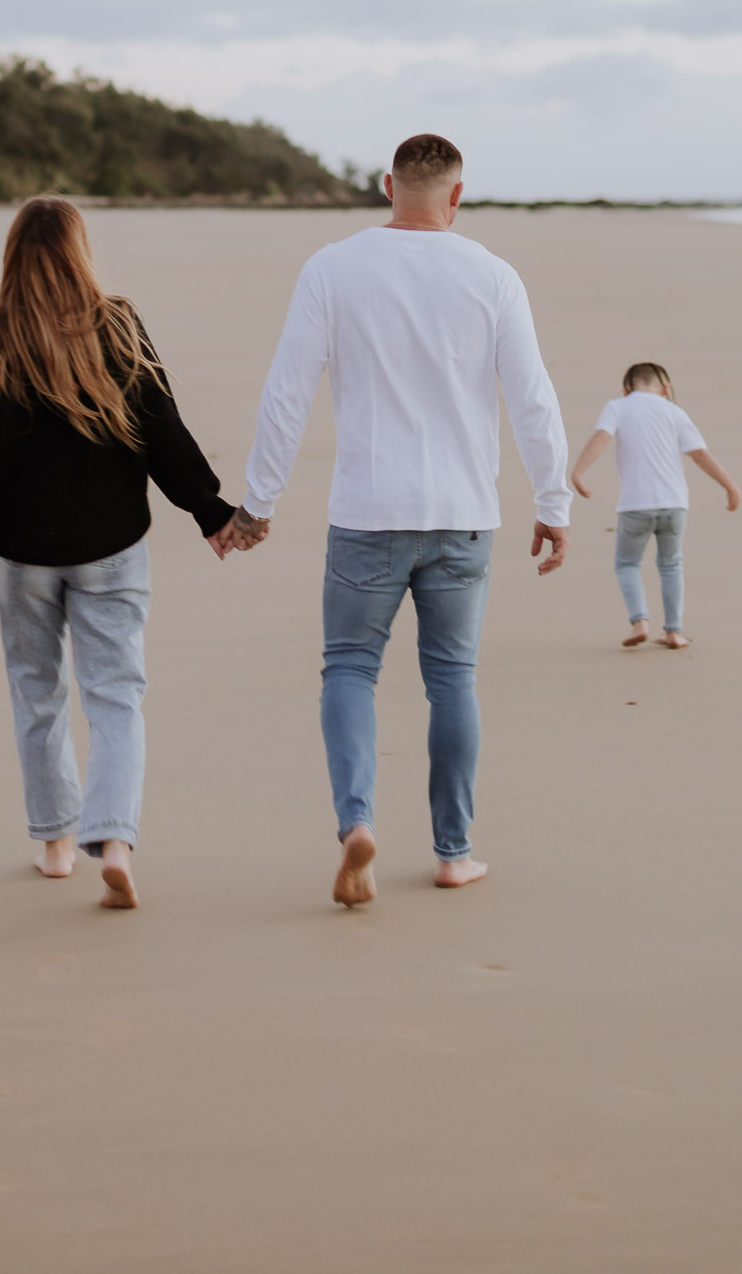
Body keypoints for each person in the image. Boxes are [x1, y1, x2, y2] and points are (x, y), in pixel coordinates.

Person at [240, 132, 571, 908]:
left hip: (367, 513)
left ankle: (357, 821)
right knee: (452, 678)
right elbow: (533, 400)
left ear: (389, 185)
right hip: (462, 515)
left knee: (350, 668)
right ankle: (453, 854)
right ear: (457, 195)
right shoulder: (493, 276)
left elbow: (287, 391)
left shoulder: (332, 268)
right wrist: (552, 503)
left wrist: (258, 504)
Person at [0, 196, 263, 910]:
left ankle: (55, 845)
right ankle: (112, 840)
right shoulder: (117, 324)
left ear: (13, 255)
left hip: (19, 557)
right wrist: (211, 512)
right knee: (115, 695)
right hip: (110, 550)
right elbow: (161, 427)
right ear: (81, 251)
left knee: (36, 691)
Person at [569, 363, 740, 648]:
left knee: (627, 564)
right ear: (666, 389)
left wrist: (578, 473)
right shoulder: (675, 412)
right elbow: (699, 454)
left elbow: (601, 437)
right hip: (675, 506)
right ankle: (674, 632)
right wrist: (730, 486)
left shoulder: (618, 407)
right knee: (671, 566)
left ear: (627, 389)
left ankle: (640, 623)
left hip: (636, 506)